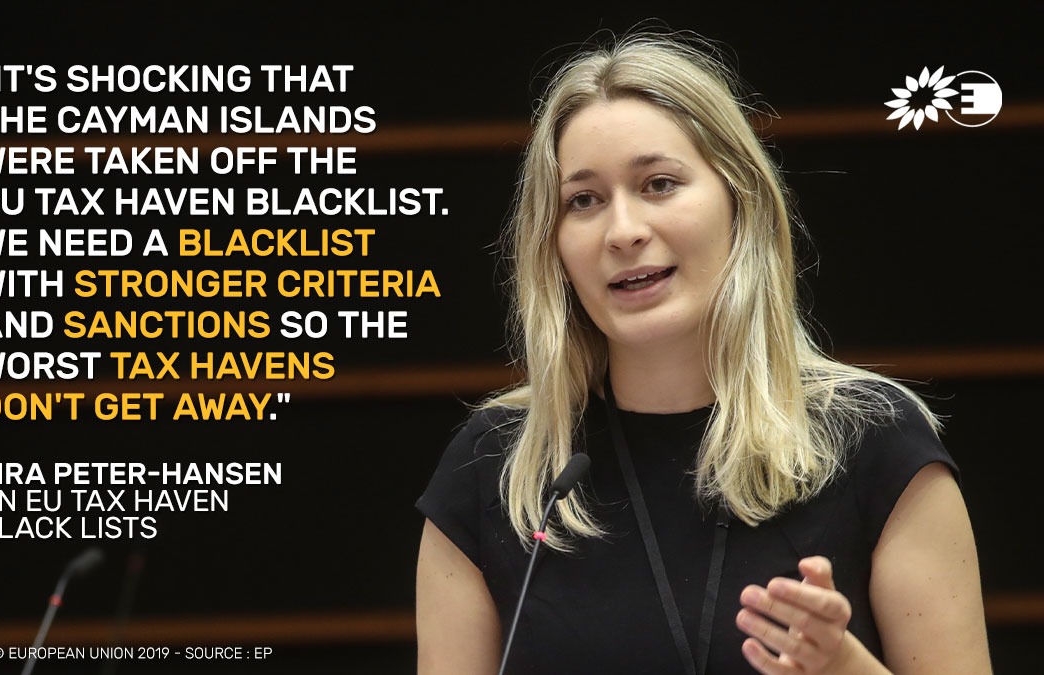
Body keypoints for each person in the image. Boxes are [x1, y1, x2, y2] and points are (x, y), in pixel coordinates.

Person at [415, 32, 991, 674]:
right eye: (584, 200)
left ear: (740, 202)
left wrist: (843, 668)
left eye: (659, 184)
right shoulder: (498, 468)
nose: (623, 231)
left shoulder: (876, 442)